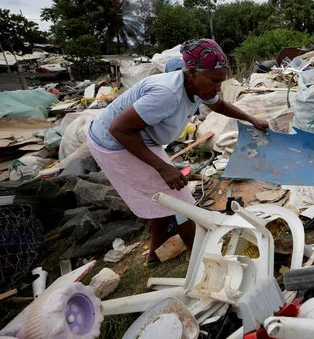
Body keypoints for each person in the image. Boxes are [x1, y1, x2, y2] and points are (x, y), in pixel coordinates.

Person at [88, 39, 268, 266]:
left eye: (220, 81)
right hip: (114, 142)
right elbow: (118, 129)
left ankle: (155, 253)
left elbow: (219, 105)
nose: (218, 87)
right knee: (181, 198)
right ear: (192, 72)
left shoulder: (196, 87)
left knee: (163, 196)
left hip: (139, 136)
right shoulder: (166, 94)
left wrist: (251, 119)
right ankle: (201, 257)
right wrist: (163, 167)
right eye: (214, 80)